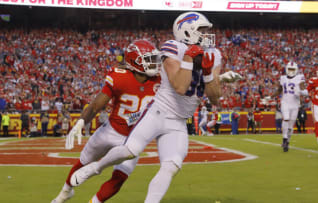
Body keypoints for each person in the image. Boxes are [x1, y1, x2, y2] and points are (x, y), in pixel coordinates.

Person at [69, 11, 241, 203]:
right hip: (159, 111)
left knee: (171, 166)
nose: (207, 34)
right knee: (130, 150)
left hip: (178, 121)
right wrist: (188, 59)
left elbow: (215, 98)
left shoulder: (214, 54)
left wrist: (210, 75)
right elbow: (180, 86)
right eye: (202, 30)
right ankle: (95, 168)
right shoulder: (172, 47)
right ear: (187, 31)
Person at [51, 39, 162, 203]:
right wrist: (81, 122)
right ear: (134, 62)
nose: (153, 64)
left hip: (133, 139)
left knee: (119, 179)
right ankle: (65, 192)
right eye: (148, 60)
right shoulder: (119, 77)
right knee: (83, 162)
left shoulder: (159, 80)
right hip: (110, 131)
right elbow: (96, 105)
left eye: (153, 59)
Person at [267, 61, 307, 152]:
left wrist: (300, 92)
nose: (291, 71)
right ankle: (284, 139)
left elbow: (303, 89)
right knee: (286, 119)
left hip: (295, 103)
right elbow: (279, 90)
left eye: (293, 69)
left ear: (296, 70)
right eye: (290, 69)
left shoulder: (299, 78)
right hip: (285, 102)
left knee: (290, 125)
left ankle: (287, 141)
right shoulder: (283, 78)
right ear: (286, 69)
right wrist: (270, 97)